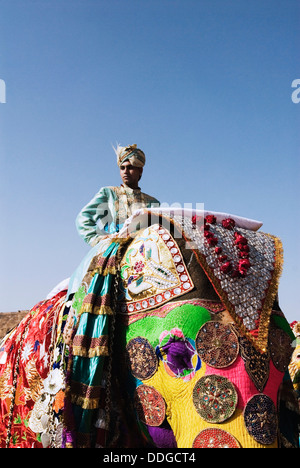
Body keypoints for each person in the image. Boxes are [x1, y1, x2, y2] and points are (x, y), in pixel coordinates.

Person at [76, 143, 160, 246]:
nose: (125, 172)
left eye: (130, 167)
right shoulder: (109, 193)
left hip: (144, 249)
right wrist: (97, 239)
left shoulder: (152, 203)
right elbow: (83, 218)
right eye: (122, 168)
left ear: (140, 170)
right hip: (114, 247)